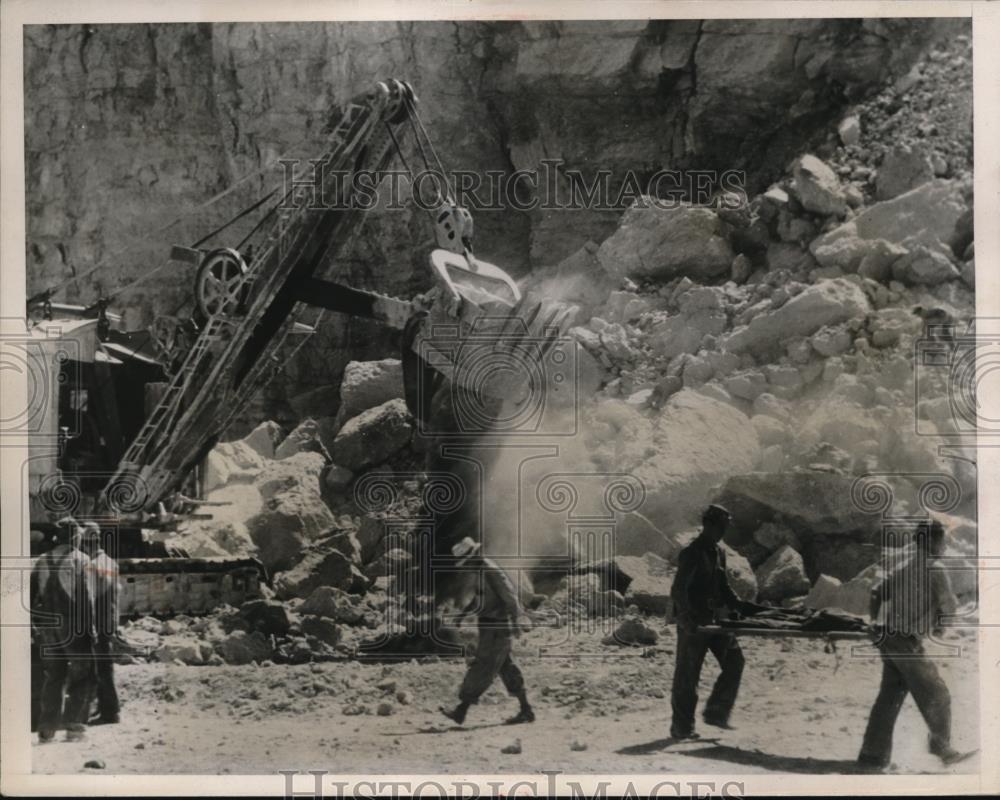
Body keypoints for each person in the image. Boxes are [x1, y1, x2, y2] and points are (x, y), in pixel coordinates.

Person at [857, 519, 975, 770]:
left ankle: (872, 755)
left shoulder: (903, 565)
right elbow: (949, 606)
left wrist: (874, 620)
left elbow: (877, 592)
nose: (944, 545)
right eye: (942, 540)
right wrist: (941, 627)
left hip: (887, 637)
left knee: (890, 695)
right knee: (937, 692)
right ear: (931, 541)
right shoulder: (936, 568)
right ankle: (941, 747)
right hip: (905, 641)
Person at [669, 503, 755, 740]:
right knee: (688, 675)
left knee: (735, 661)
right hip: (695, 624)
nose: (723, 532)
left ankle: (717, 712)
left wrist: (741, 606)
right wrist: (685, 618)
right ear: (708, 524)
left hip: (716, 621)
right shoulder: (691, 552)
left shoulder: (719, 552)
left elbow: (723, 585)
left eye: (725, 527)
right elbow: (678, 590)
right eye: (720, 526)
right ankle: (682, 728)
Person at [440, 537, 534, 726]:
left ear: (474, 556)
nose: (466, 567)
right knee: (506, 667)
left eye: (467, 562)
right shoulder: (481, 572)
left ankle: (461, 710)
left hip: (497, 627)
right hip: (490, 626)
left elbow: (510, 597)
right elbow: (479, 600)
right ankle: (526, 710)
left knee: (483, 665)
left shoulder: (491, 571)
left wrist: (517, 622)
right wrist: (462, 615)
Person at [30, 517, 97, 743]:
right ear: (75, 537)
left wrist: (33, 627)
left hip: (48, 628)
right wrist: (91, 628)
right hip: (74, 627)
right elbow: (87, 599)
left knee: (54, 677)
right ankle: (74, 728)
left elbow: (30, 598)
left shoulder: (41, 561)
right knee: (81, 674)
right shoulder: (81, 560)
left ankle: (46, 730)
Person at [81, 521, 121, 725]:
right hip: (109, 621)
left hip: (98, 623)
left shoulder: (92, 566)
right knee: (105, 666)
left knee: (101, 668)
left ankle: (110, 712)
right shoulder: (111, 562)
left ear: (86, 543)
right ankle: (106, 708)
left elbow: (91, 598)